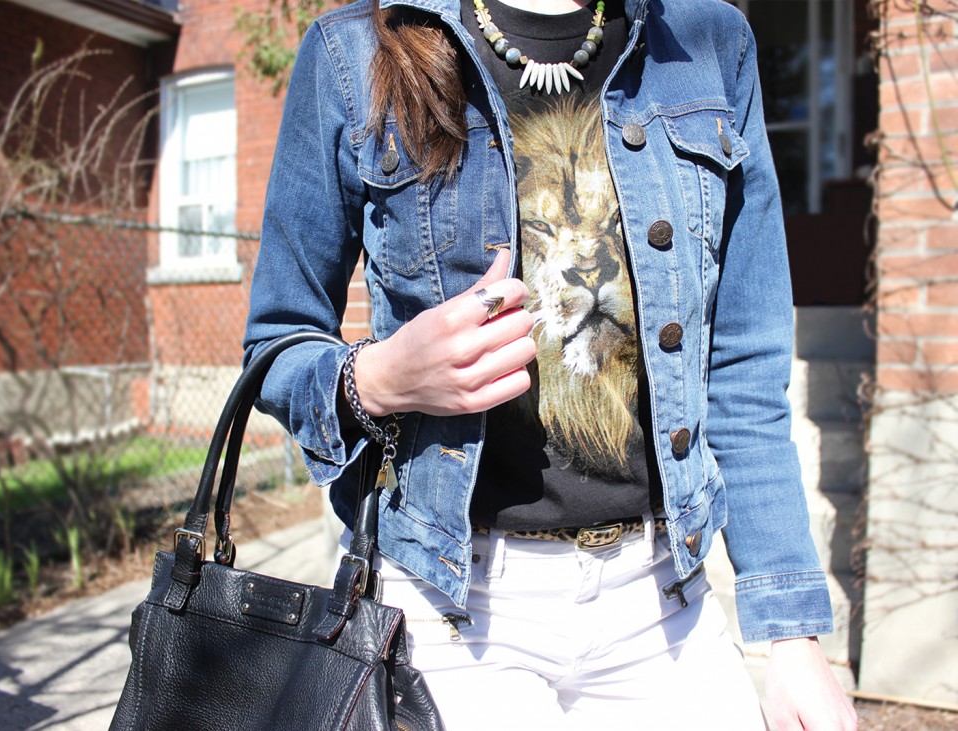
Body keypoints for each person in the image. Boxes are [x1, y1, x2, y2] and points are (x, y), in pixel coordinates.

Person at [244, 0, 859, 727]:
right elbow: (277, 342)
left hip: (660, 599)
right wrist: (377, 377)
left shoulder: (705, 42)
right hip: (451, 604)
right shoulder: (353, 53)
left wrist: (791, 633)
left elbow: (744, 373)